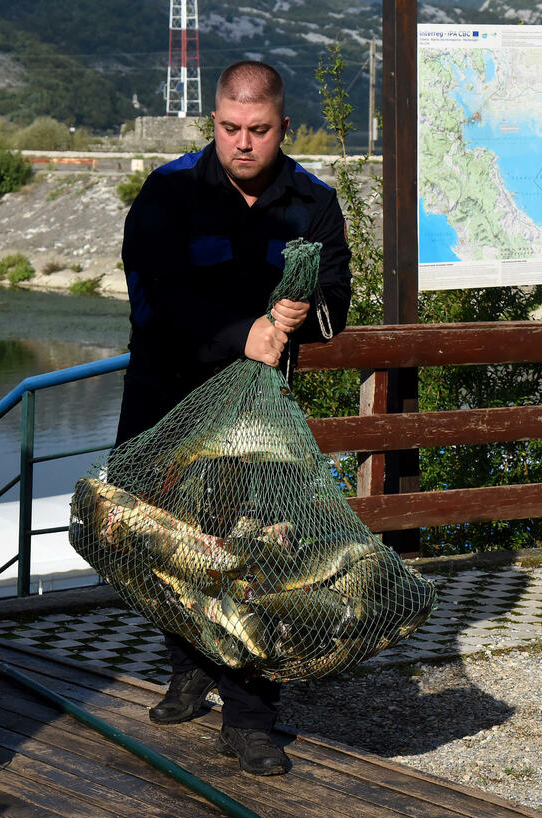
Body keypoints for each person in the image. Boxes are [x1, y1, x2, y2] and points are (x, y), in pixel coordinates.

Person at [115, 60, 352, 776]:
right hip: (168, 402)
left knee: (258, 554)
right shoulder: (167, 193)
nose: (242, 143)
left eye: (258, 130)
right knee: (171, 551)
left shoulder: (314, 201)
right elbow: (152, 302)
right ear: (212, 121)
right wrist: (239, 333)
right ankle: (189, 665)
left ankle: (250, 718)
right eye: (228, 128)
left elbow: (339, 303)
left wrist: (305, 316)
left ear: (284, 127)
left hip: (259, 419)